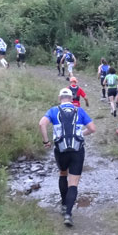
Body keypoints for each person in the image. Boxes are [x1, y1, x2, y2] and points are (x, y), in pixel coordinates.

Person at [39, 88, 96, 227]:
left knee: (63, 173)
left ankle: (64, 205)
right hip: (77, 150)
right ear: (71, 99)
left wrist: (46, 141)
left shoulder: (53, 110)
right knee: (74, 183)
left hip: (60, 150)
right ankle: (68, 214)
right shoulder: (79, 111)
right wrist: (81, 133)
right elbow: (92, 129)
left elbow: (42, 124)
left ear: (60, 98)